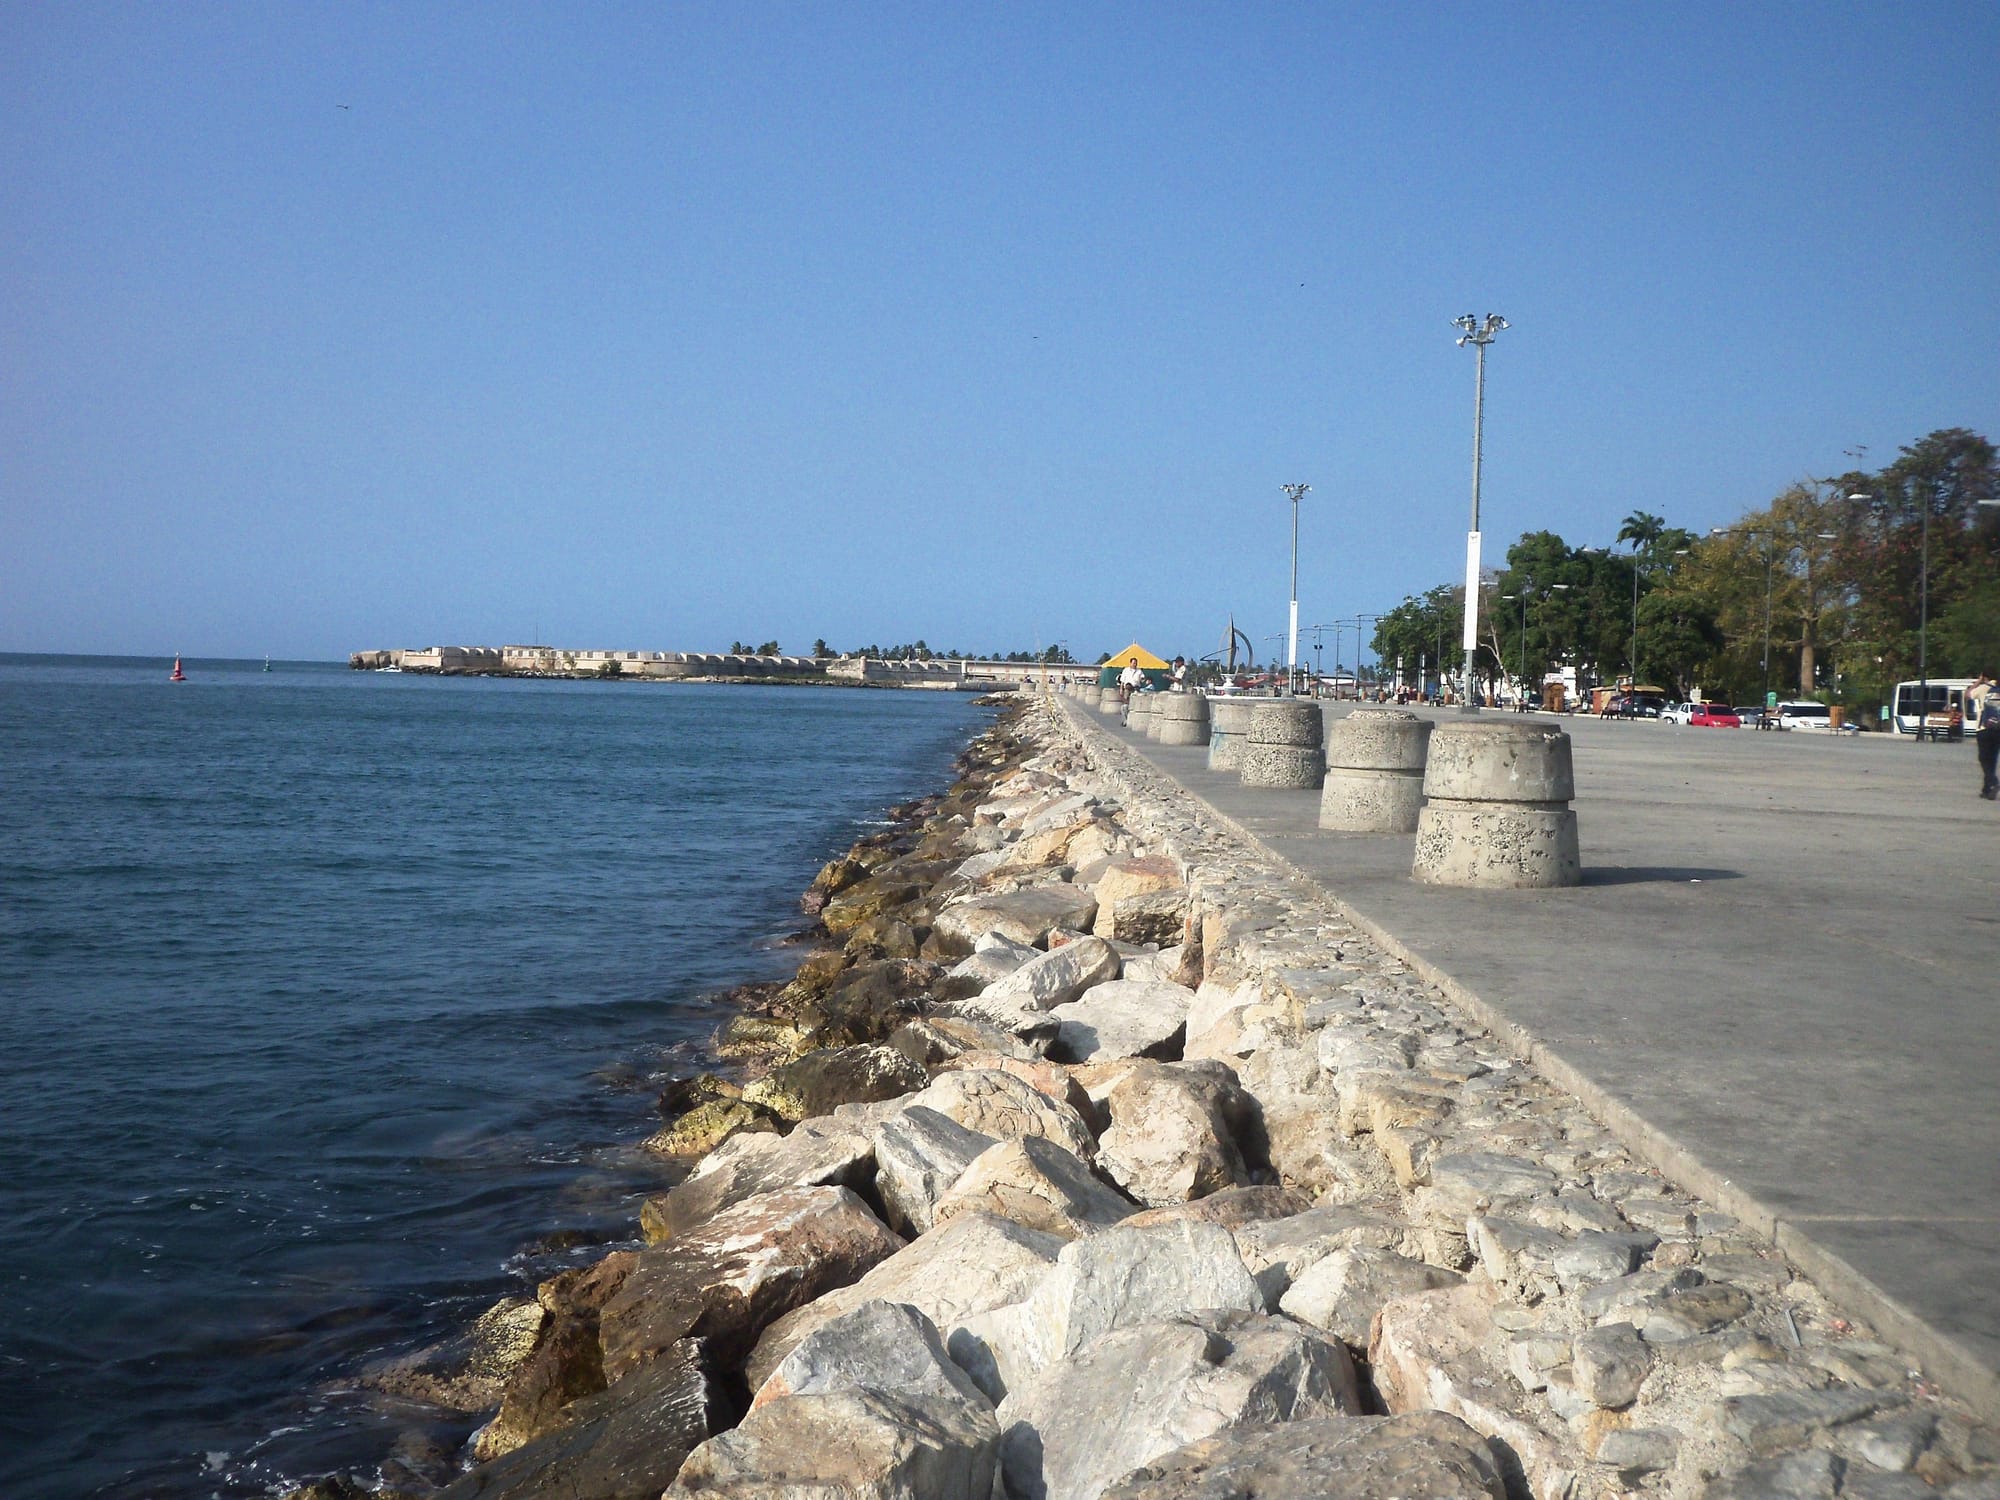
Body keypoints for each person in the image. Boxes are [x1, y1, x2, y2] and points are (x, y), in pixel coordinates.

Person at [1972, 672, 2000, 801]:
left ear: (1984, 676)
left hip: (1984, 728)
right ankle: (1987, 790)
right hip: (1998, 729)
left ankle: (1994, 782)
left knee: (1983, 758)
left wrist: (1978, 681)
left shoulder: (1983, 688)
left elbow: (1968, 694)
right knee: (1993, 759)